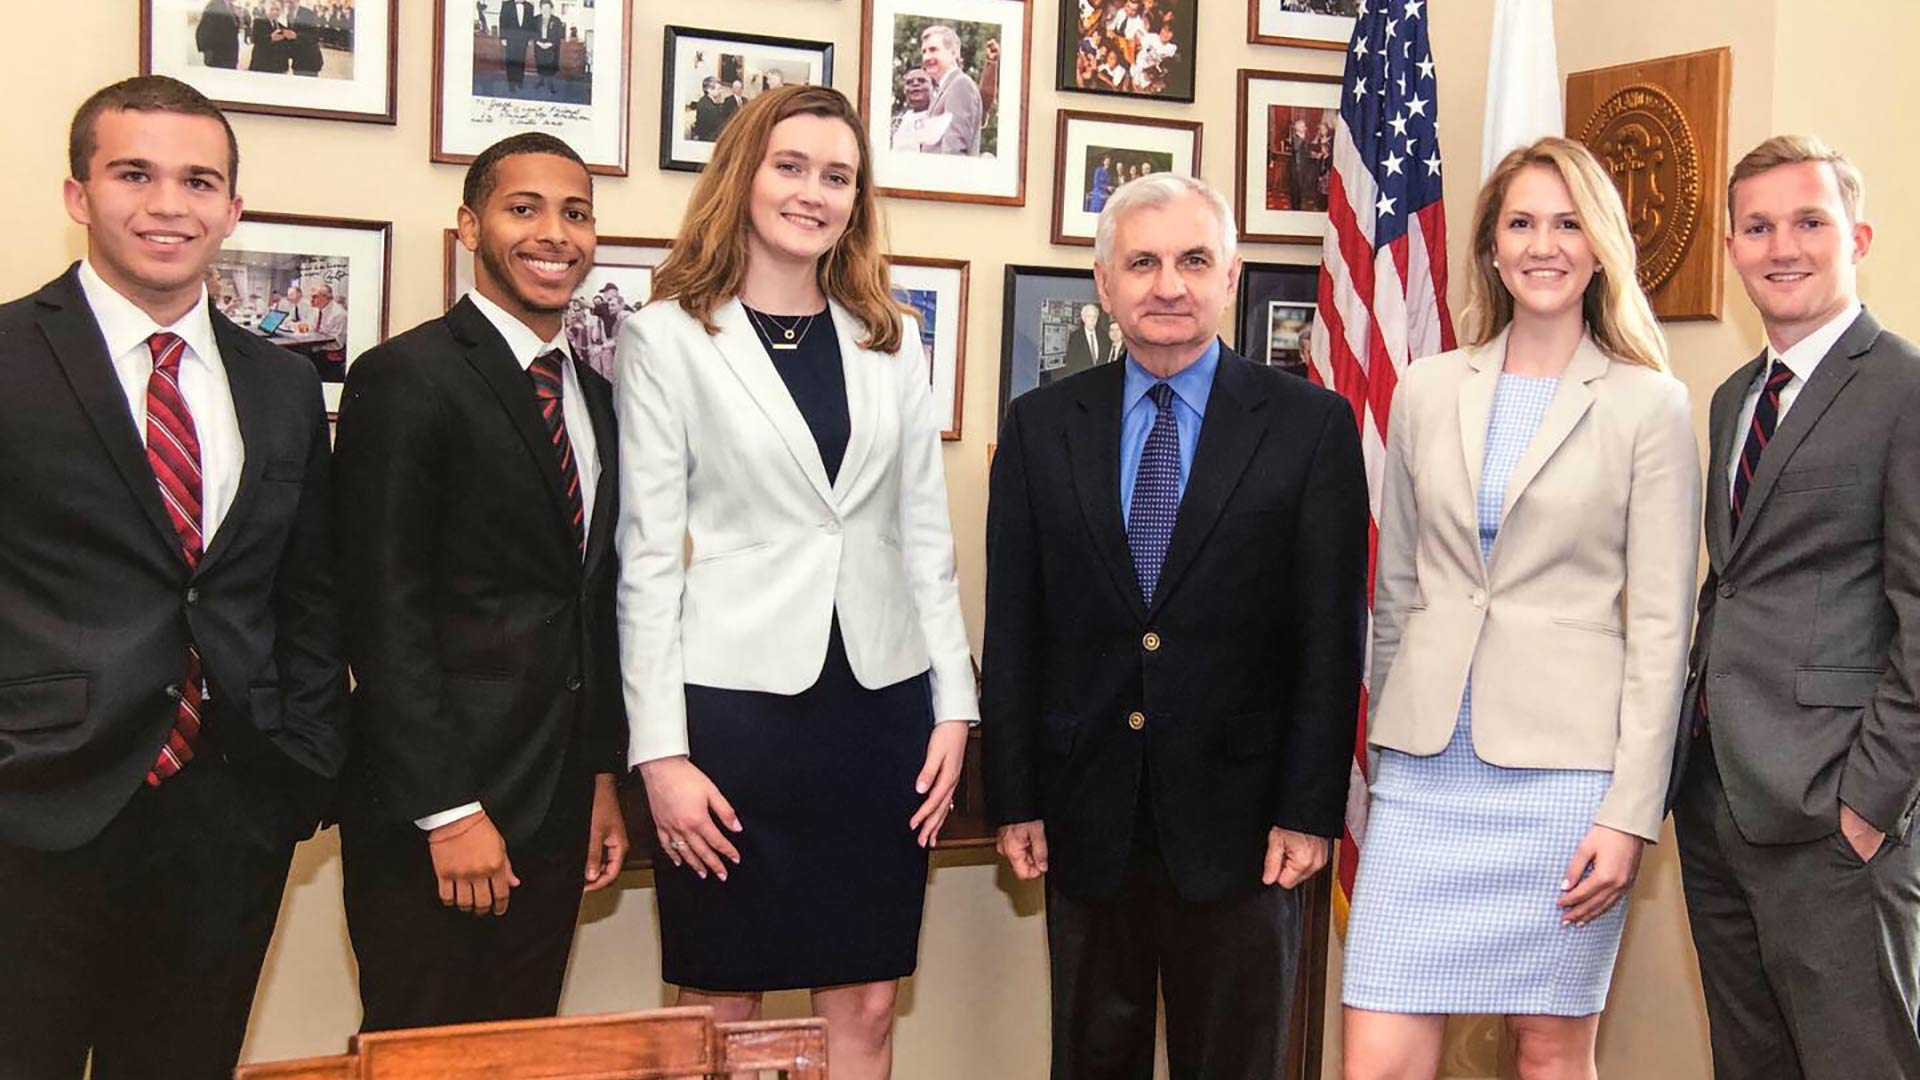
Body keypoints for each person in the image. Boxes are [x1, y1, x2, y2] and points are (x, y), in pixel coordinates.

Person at [617, 84, 976, 1080]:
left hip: (880, 712)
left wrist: (955, 710)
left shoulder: (892, 339)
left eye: (839, 176)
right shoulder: (666, 337)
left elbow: (922, 535)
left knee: (863, 998)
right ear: (744, 172)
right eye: (792, 166)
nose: (814, 193)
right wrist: (661, 756)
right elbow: (644, 562)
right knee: (722, 1002)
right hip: (732, 722)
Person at [982, 172, 1370, 1079]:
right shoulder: (1041, 427)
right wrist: (1016, 794)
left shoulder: (1310, 427)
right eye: (1144, 263)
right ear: (1104, 283)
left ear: (1230, 277)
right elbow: (1016, 629)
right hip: (1088, 816)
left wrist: (1309, 808)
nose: (1169, 285)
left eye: (1194, 260)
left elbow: (1328, 637)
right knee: (1090, 1061)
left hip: (1246, 830)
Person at [0, 75, 346, 1080]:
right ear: (77, 193)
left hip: (229, 815)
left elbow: (308, 592)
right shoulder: (10, 356)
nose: (167, 204)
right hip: (35, 806)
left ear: (233, 209)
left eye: (199, 180)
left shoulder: (282, 384)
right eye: (133, 174)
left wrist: (305, 760)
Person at [1340, 137, 1700, 1080]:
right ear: (1493, 248)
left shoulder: (1649, 405)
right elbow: (1401, 591)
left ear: (1599, 247)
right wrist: (1388, 733)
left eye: (1569, 222)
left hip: (1568, 785)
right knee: (1376, 1053)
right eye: (1523, 223)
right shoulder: (1426, 388)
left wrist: (1631, 813)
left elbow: (1664, 631)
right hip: (1423, 773)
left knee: (1548, 1054)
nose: (1545, 244)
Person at [331, 132, 630, 1033]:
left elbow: (590, 603)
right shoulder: (404, 377)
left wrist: (601, 778)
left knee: (520, 1046)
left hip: (557, 801)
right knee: (425, 1048)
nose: (555, 233)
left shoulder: (598, 394)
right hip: (439, 809)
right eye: (524, 208)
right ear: (470, 226)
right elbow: (379, 611)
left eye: (575, 212)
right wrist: (448, 810)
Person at [1671, 135, 1920, 1080]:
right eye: (1759, 226)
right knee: (1749, 1062)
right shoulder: (1736, 396)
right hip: (1716, 798)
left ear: (1856, 236)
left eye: (1810, 222)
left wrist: (1871, 803)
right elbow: (1736, 584)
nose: (1784, 246)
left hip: (1835, 815)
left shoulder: (1905, 388)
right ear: (1733, 247)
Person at [921, 25, 982, 156]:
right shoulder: (942, 90)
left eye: (933, 50)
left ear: (954, 53)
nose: (926, 58)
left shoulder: (960, 85)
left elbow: (954, 151)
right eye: (924, 51)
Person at [888, 68, 945, 154]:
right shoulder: (895, 122)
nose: (915, 84)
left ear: (934, 88)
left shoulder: (941, 119)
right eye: (909, 82)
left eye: (922, 81)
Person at [306, 281, 348, 376]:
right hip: (317, 348)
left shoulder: (339, 314)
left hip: (331, 353)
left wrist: (314, 346)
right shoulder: (317, 310)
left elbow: (337, 344)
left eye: (315, 297)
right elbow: (312, 329)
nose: (311, 300)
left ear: (326, 297)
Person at [498, 0, 534, 93]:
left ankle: (519, 81)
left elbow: (530, 24)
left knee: (521, 61)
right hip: (510, 39)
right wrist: (503, 37)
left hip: (523, 40)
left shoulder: (530, 6)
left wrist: (530, 38)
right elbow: (502, 21)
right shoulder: (506, 5)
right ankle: (511, 83)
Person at [196, 0, 241, 68]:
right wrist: (208, 52)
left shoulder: (230, 7)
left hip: (230, 55)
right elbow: (204, 30)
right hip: (218, 56)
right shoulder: (214, 5)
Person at [531, 0, 564, 94]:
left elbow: (559, 35)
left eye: (547, 8)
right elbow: (532, 32)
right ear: (540, 9)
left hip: (551, 46)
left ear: (551, 9)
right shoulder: (535, 19)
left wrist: (550, 44)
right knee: (540, 64)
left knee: (550, 65)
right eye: (543, 8)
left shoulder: (556, 20)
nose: (545, 10)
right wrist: (538, 42)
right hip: (539, 45)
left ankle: (550, 84)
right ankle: (541, 81)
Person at [283, 1, 323, 76]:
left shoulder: (308, 14)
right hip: (298, 61)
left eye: (290, 2)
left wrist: (296, 36)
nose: (288, 4)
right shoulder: (288, 15)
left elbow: (315, 36)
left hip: (310, 60)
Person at [248, 0, 288, 72]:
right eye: (272, 9)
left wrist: (285, 67)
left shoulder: (281, 27)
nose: (275, 12)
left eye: (277, 10)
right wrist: (271, 38)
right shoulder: (258, 22)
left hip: (276, 68)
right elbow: (255, 39)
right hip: (261, 66)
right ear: (266, 10)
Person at [691, 77, 734, 143]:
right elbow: (718, 126)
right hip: (709, 139)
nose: (721, 91)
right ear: (709, 90)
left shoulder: (706, 101)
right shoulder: (707, 106)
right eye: (719, 89)